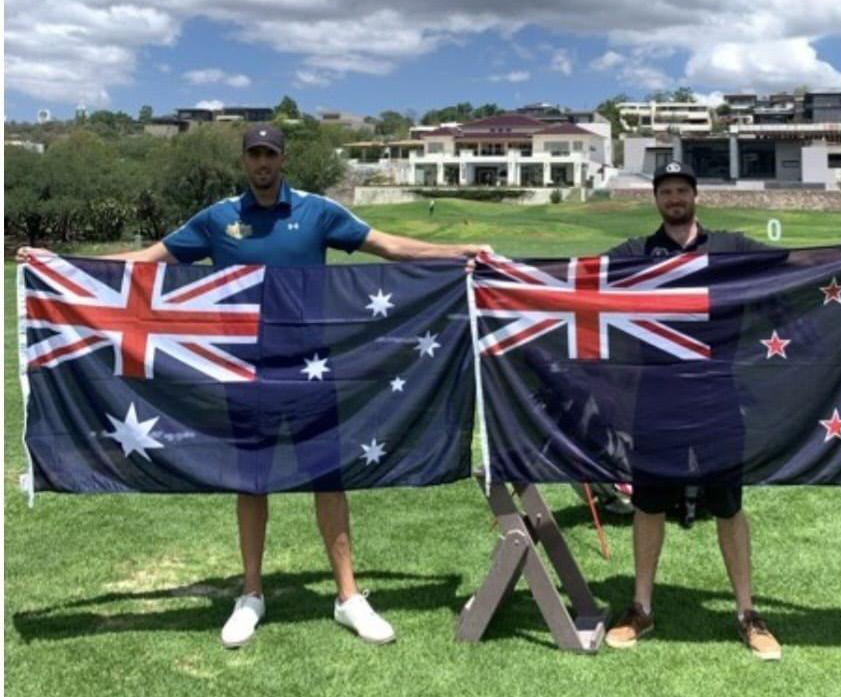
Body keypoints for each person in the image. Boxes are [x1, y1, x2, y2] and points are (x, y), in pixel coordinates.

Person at [17, 123, 489, 649]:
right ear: (244, 160)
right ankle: (251, 595)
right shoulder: (218, 219)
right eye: (254, 154)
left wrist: (459, 252)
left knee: (328, 478)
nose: (262, 163)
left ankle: (348, 597)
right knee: (251, 481)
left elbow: (391, 246)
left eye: (270, 154)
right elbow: (148, 261)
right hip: (242, 372)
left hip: (311, 369)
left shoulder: (317, 211)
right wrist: (58, 267)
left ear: (283, 158)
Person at [602, 161, 841, 659]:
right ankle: (641, 607)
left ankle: (747, 613)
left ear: (695, 196)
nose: (675, 198)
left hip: (717, 397)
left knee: (728, 505)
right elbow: (570, 279)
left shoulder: (731, 248)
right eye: (666, 191)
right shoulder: (635, 254)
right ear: (656, 199)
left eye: (682, 189)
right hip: (658, 398)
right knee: (649, 504)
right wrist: (492, 267)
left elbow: (798, 264)